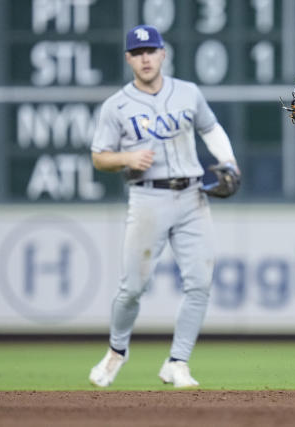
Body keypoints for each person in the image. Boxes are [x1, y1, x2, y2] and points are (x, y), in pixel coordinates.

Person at [88, 25, 240, 388]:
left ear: (162, 54)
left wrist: (229, 162)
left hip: (192, 196)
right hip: (147, 198)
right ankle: (116, 351)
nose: (145, 58)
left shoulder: (187, 92)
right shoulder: (117, 106)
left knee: (200, 282)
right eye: (137, 53)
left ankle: (177, 361)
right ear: (129, 58)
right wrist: (126, 157)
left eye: (150, 51)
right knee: (132, 288)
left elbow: (210, 129)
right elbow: (99, 158)